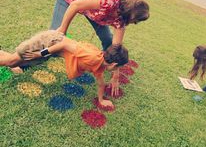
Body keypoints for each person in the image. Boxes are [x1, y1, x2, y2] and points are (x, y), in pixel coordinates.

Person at [50, 0, 149, 95]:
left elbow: (116, 48)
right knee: (53, 37)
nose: (135, 22)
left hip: (94, 13)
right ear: (130, 12)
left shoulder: (121, 21)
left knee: (108, 39)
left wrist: (115, 76)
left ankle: (100, 61)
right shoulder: (107, 0)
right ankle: (32, 57)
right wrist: (62, 29)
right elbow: (75, 5)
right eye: (136, 19)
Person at [0, 30, 129, 108]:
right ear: (113, 64)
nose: (118, 70)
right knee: (11, 61)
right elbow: (65, 44)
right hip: (48, 42)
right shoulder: (93, 58)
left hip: (53, 50)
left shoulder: (99, 66)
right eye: (119, 67)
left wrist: (101, 100)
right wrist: (41, 53)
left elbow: (101, 84)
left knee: (13, 62)